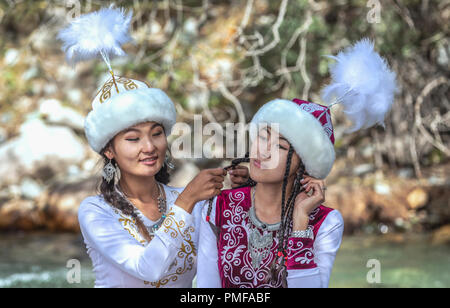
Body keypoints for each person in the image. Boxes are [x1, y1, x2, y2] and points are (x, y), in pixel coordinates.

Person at [197, 99, 345, 288]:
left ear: (304, 163)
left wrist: (300, 226)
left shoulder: (326, 222)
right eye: (264, 137)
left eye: (280, 147)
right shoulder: (219, 206)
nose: (263, 152)